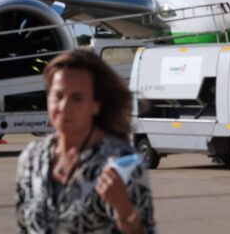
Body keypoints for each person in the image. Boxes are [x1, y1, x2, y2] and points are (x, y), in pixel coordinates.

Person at [16, 50, 156, 233]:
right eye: (58, 95)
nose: (64, 106)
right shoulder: (31, 158)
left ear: (96, 104)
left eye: (77, 98)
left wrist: (124, 210)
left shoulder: (123, 163)